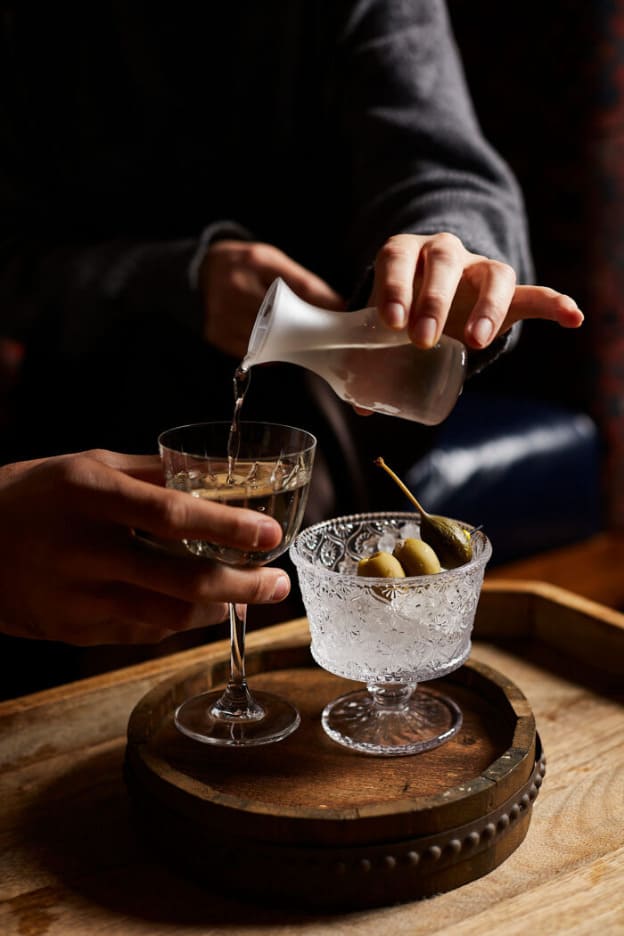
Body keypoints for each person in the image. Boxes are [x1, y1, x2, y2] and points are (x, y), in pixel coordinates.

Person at [0, 2, 581, 689]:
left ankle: (275, 724)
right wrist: (174, 280)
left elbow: (442, 166)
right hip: (88, 374)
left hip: (331, 389)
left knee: (275, 436)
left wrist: (449, 255)